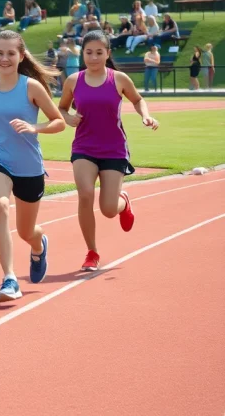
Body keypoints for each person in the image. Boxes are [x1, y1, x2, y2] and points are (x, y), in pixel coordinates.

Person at [0, 30, 65, 302]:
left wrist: (34, 127)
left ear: (21, 56)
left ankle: (38, 245)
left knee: (27, 231)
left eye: (11, 53)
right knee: (0, 206)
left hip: (28, 166)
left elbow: (58, 121)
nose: (5, 58)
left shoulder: (31, 87)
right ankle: (9, 278)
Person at [58, 30, 159, 272]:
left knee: (108, 210)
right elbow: (61, 108)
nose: (93, 57)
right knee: (84, 194)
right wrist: (68, 117)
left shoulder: (119, 79)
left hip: (114, 149)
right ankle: (92, 252)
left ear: (108, 53)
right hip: (84, 147)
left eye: (99, 52)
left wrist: (145, 115)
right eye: (89, 52)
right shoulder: (73, 81)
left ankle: (122, 201)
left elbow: (137, 99)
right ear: (82, 54)